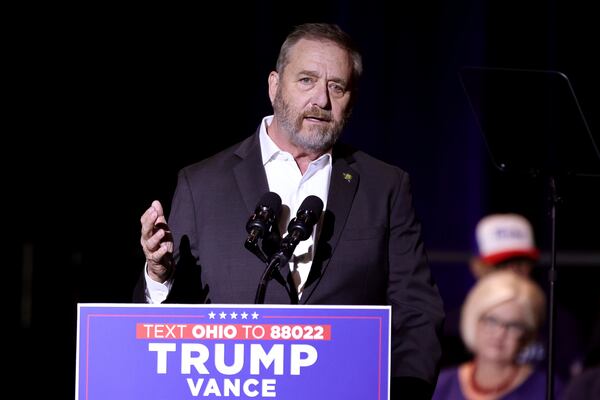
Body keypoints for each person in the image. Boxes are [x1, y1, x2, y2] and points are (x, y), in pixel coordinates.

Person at [135, 22, 445, 399]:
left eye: (337, 87)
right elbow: (163, 329)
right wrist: (159, 275)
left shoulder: (386, 186)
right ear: (274, 86)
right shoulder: (201, 184)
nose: (321, 100)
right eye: (306, 80)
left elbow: (416, 311)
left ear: (352, 99)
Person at [440, 213, 584, 380]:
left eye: (521, 262)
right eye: (502, 263)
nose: (513, 271)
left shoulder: (559, 322)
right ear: (476, 266)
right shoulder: (451, 329)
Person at [433, 270, 565, 399]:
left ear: (527, 333)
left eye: (513, 325)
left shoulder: (548, 390)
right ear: (473, 320)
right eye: (492, 320)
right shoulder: (440, 385)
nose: (500, 333)